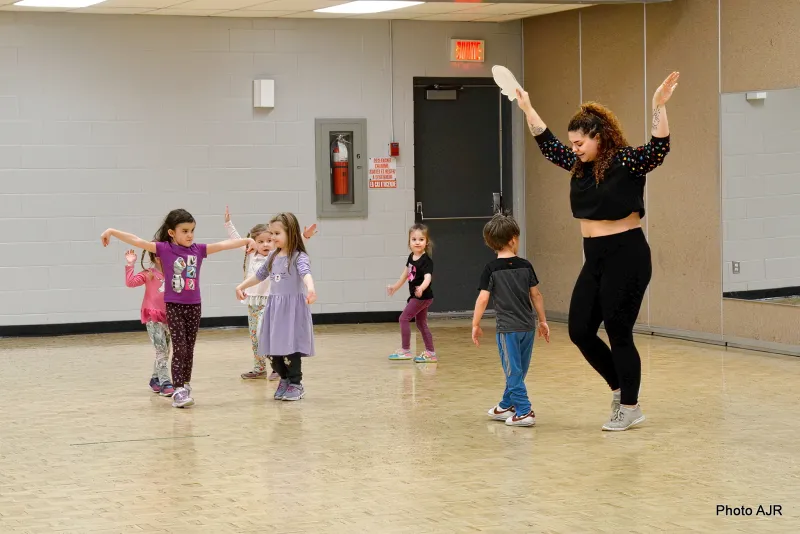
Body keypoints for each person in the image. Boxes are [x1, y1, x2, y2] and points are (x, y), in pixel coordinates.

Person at [515, 71, 678, 431]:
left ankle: (631, 407)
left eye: (580, 143)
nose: (573, 148)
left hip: (628, 254)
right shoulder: (578, 167)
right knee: (580, 329)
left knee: (619, 331)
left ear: (599, 137)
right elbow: (547, 143)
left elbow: (659, 147)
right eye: (572, 143)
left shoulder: (627, 162)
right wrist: (527, 107)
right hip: (596, 255)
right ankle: (620, 389)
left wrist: (658, 106)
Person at [102, 208, 255, 408]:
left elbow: (223, 245)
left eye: (192, 230)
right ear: (172, 232)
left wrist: (247, 241)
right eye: (184, 230)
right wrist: (112, 231)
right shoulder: (164, 249)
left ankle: (186, 384)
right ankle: (178, 389)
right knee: (179, 347)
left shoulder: (198, 250)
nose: (190, 235)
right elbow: (137, 240)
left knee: (189, 349)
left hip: (194, 306)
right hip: (174, 306)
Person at [472, 213, 550, 427]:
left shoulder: (491, 269)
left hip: (508, 330)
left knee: (512, 369)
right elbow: (536, 295)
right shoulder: (526, 265)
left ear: (491, 243)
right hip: (528, 327)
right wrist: (543, 321)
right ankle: (508, 404)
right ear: (513, 239)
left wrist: (475, 324)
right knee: (519, 369)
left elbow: (483, 299)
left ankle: (524, 411)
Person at [236, 212, 317, 401]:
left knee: (290, 347)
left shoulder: (298, 257)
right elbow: (260, 275)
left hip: (292, 310)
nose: (272, 238)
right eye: (271, 233)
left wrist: (311, 288)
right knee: (272, 350)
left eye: (277, 233)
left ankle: (296, 383)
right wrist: (241, 286)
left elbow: (306, 274)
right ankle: (284, 378)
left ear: (291, 233)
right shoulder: (272, 256)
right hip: (274, 308)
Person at [124, 248, 174, 397]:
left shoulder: (172, 274)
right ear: (158, 259)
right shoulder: (149, 273)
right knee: (161, 350)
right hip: (153, 317)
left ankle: (155, 379)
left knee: (165, 350)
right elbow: (130, 282)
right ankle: (165, 382)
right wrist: (130, 265)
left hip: (169, 317)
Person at [387, 224, 437, 363]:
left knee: (403, 318)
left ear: (426, 242)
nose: (417, 242)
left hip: (422, 297)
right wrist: (395, 287)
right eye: (414, 239)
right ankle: (431, 353)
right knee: (421, 323)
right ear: (409, 242)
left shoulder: (427, 261)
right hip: (419, 297)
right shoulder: (411, 257)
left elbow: (428, 278)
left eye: (421, 239)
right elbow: (405, 275)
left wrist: (421, 288)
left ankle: (406, 350)